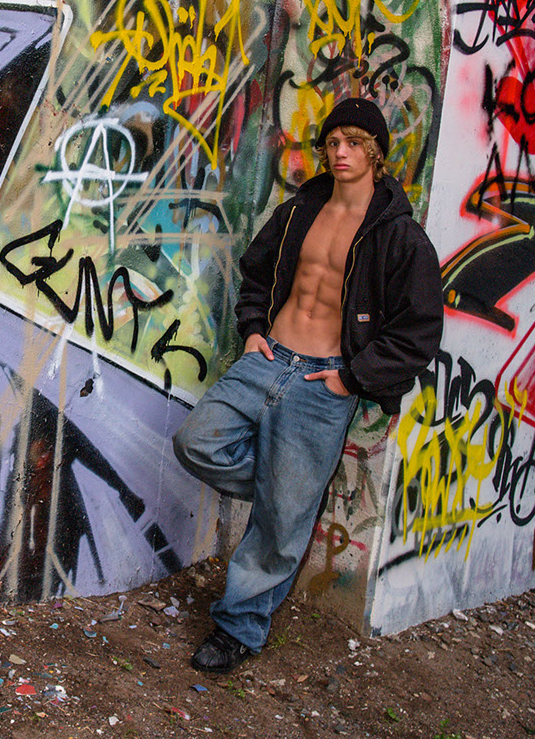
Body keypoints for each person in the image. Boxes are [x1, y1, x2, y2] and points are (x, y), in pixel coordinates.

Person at [172, 97, 443, 673]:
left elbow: (417, 334)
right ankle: (291, 498)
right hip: (269, 358)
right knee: (196, 442)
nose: (341, 152)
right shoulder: (299, 211)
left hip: (324, 382)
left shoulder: (400, 238)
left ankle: (238, 629)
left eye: (354, 143)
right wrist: (252, 331)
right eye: (333, 142)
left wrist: (352, 378)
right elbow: (256, 274)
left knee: (280, 523)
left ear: (375, 152)